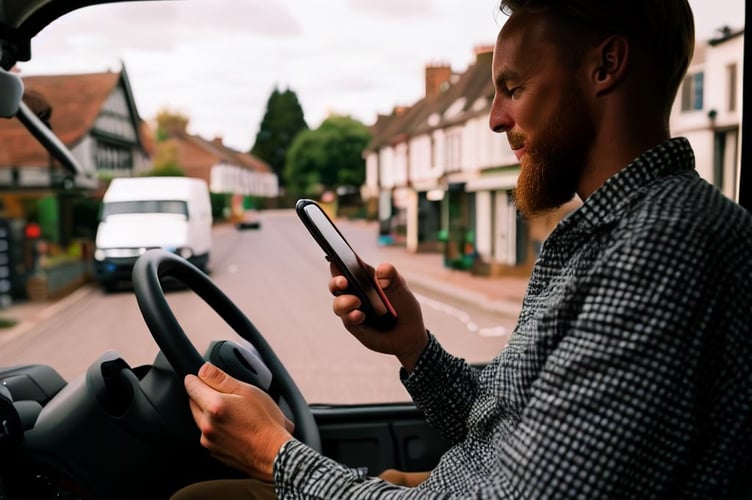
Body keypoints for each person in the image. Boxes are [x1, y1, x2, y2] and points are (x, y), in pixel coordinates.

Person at [171, 0, 752, 498]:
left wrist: (274, 452)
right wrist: (414, 347)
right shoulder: (601, 234)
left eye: (513, 89)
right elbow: (501, 431)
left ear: (605, 66)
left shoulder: (661, 246)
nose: (497, 119)